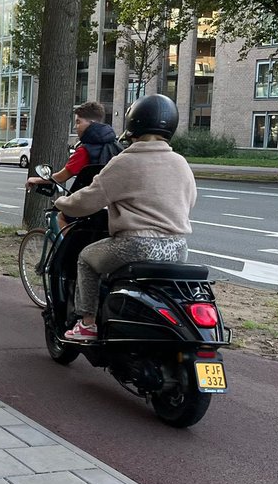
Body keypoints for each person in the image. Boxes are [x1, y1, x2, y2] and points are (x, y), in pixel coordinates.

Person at [54, 94, 196, 342]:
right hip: (177, 247)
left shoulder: (126, 162)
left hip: (136, 245)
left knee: (87, 259)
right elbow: (189, 200)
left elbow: (89, 199)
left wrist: (61, 203)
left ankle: (87, 323)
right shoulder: (181, 162)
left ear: (133, 125)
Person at [26, 100, 123, 233]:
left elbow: (61, 177)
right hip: (113, 204)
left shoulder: (85, 150)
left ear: (92, 124)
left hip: (91, 202)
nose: (75, 127)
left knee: (62, 218)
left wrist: (35, 180)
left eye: (78, 122)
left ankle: (71, 253)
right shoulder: (115, 145)